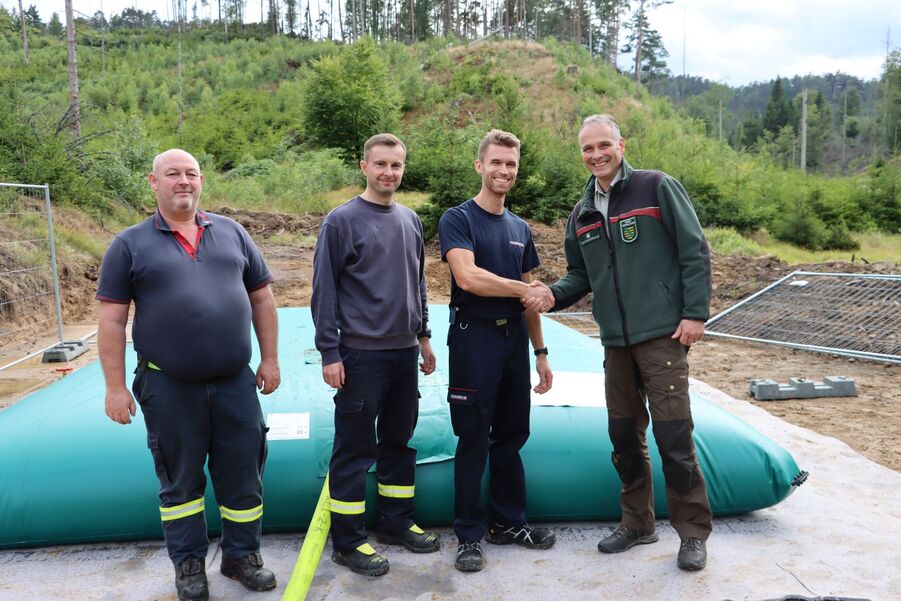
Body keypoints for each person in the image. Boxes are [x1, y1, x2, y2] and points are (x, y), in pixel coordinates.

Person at [97, 149, 280, 601]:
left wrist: (270, 359)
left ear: (201, 181)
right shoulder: (130, 244)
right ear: (153, 182)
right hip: (168, 385)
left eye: (191, 174)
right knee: (181, 482)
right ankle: (190, 564)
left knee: (243, 474)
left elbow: (262, 299)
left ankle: (241, 557)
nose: (184, 181)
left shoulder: (233, 232)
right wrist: (116, 387)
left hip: (235, 382)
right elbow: (112, 321)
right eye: (173, 174)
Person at [534, 114, 712, 571]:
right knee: (623, 435)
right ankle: (638, 524)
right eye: (587, 149)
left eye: (603, 145)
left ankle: (692, 534)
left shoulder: (656, 188)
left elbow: (693, 250)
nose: (596, 155)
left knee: (674, 435)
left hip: (663, 336)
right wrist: (553, 293)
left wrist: (694, 313)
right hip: (615, 342)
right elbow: (581, 274)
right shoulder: (582, 212)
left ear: (620, 144)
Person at [311, 133, 440, 577]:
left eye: (397, 165)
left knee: (399, 444)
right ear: (364, 167)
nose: (389, 172)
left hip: (405, 354)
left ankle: (395, 523)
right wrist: (330, 351)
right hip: (361, 355)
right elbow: (323, 290)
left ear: (404, 169)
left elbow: (418, 282)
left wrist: (423, 336)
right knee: (354, 449)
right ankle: (348, 542)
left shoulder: (410, 220)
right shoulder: (341, 221)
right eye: (380, 164)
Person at [438, 129, 556, 573]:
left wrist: (540, 352)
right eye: (496, 163)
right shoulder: (458, 218)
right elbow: (468, 277)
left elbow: (529, 300)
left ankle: (509, 522)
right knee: (473, 439)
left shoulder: (520, 228)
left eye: (511, 164)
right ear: (479, 166)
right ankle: (468, 534)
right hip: (474, 339)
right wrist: (527, 288)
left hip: (513, 345)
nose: (504, 171)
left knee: (511, 436)